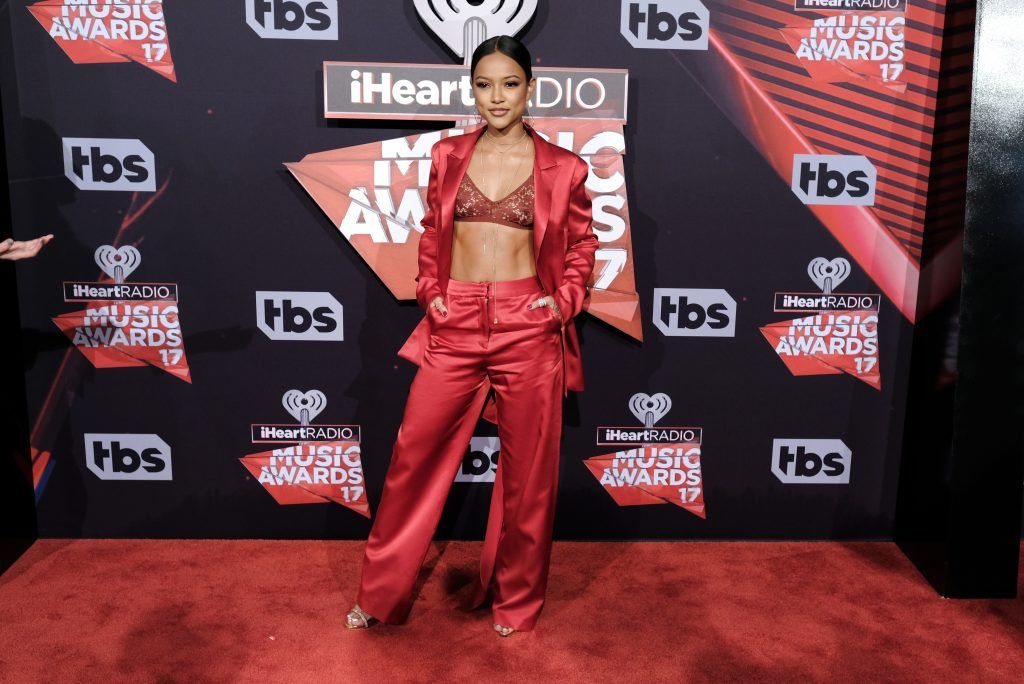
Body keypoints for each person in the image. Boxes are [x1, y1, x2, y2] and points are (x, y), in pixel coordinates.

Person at [346, 35, 597, 637]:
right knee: (412, 462)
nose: (497, 97)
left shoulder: (565, 167)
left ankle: (517, 604)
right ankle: (380, 596)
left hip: (527, 327)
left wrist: (558, 306)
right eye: (484, 85)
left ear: (530, 88)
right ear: (472, 90)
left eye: (510, 84)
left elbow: (584, 247)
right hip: (454, 322)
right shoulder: (447, 154)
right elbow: (433, 234)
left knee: (529, 477)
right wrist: (431, 292)